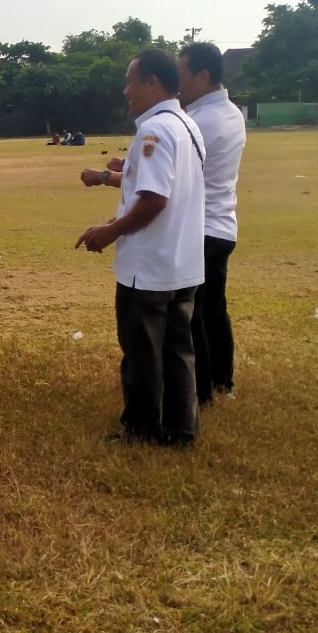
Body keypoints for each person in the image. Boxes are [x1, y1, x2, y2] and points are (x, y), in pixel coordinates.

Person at [75, 48, 205, 446]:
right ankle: (181, 430)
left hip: (148, 266)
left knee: (142, 351)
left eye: (131, 81)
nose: (126, 89)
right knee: (179, 350)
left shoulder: (154, 131)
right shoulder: (187, 125)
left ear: (152, 82)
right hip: (181, 262)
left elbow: (154, 199)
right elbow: (161, 193)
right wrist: (117, 219)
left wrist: (110, 232)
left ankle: (142, 429)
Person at [179, 42, 246, 403]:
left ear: (203, 75)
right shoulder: (232, 113)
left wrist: (112, 176)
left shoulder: (200, 121)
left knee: (194, 313)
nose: (179, 83)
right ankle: (223, 379)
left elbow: (174, 171)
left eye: (183, 74)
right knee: (215, 308)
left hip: (201, 228)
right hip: (223, 224)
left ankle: (200, 390)